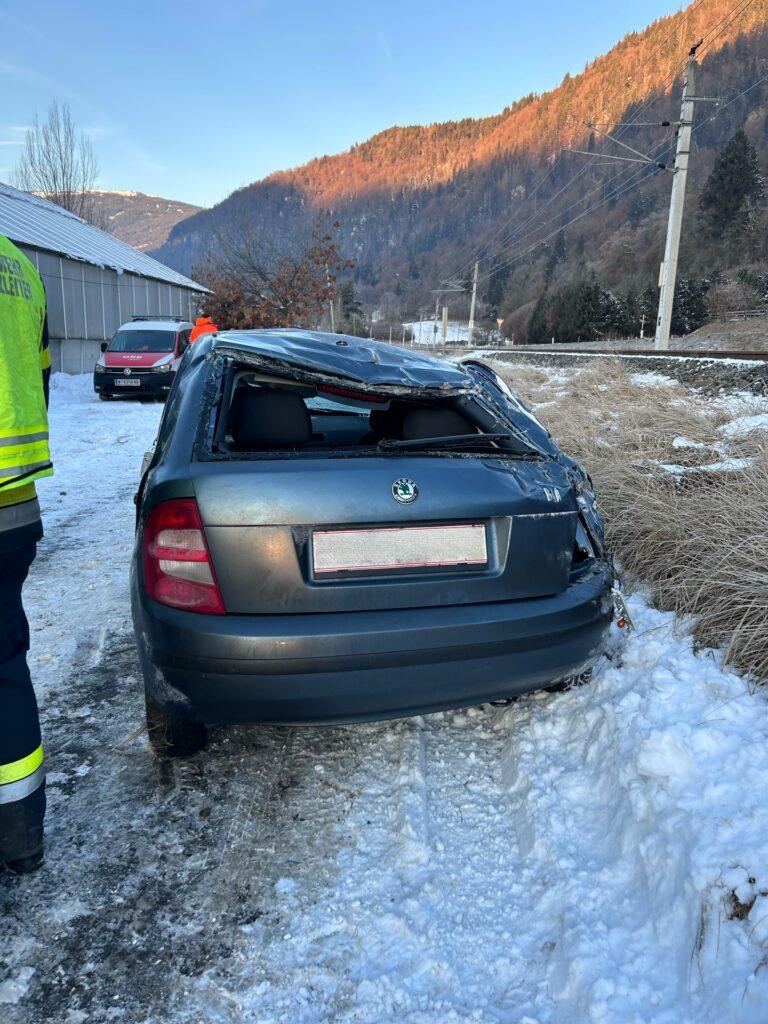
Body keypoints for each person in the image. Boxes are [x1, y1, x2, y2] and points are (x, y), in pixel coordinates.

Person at [0, 233, 52, 875]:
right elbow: (38, 378)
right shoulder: (21, 266)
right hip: (15, 507)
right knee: (6, 667)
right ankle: (20, 837)